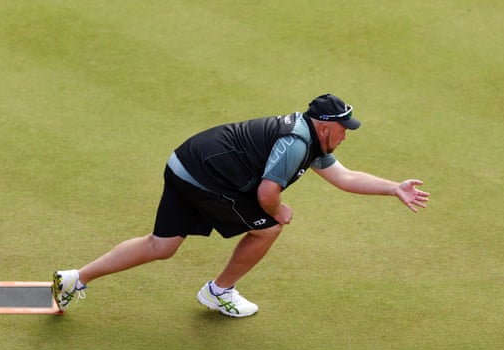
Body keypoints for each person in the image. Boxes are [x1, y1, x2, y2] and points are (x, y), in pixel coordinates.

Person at [52, 93, 430, 317]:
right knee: (268, 227)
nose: (346, 135)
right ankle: (218, 292)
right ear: (324, 125)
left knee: (161, 245)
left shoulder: (310, 139)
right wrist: (278, 211)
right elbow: (267, 193)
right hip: (207, 178)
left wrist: (393, 188)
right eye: (344, 128)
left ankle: (75, 278)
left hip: (183, 163)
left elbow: (344, 177)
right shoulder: (296, 143)